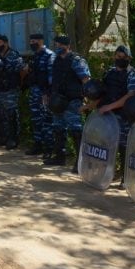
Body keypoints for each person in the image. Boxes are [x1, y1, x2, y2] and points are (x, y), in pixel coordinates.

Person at [88, 46, 135, 187]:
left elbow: (130, 96)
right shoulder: (109, 73)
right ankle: (107, 173)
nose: (119, 59)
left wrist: (109, 107)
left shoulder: (134, 74)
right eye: (117, 56)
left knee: (125, 146)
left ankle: (127, 177)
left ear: (129, 59)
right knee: (107, 145)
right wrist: (91, 106)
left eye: (123, 57)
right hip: (107, 116)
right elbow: (103, 92)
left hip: (124, 116)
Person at [45, 35, 90, 171]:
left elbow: (86, 80)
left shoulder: (76, 60)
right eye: (56, 45)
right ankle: (60, 157)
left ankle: (80, 162)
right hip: (58, 100)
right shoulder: (54, 60)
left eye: (61, 45)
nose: (58, 47)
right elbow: (52, 79)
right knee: (58, 128)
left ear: (67, 46)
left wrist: (88, 99)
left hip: (72, 101)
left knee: (76, 131)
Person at [0, 34, 25, 150]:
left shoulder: (14, 55)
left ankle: (13, 139)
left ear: (6, 43)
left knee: (11, 115)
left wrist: (19, 85)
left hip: (10, 90)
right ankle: (2, 137)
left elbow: (22, 70)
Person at [23, 34, 55, 157]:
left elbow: (51, 78)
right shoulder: (35, 55)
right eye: (30, 41)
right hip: (34, 91)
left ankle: (49, 148)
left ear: (41, 41)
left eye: (34, 41)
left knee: (46, 121)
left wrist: (47, 93)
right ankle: (38, 145)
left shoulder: (49, 55)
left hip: (44, 93)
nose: (32, 43)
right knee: (36, 120)